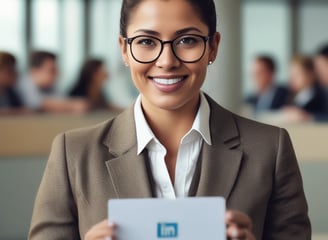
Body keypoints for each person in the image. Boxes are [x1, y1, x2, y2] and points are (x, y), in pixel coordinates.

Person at [29, 0, 311, 239]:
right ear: (124, 49)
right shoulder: (74, 153)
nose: (166, 60)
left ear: (213, 46)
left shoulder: (269, 148)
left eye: (187, 40)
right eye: (146, 41)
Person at [17, 51, 88, 113]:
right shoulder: (24, 83)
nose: (57, 74)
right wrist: (72, 106)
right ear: (34, 71)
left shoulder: (50, 86)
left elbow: (62, 100)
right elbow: (37, 104)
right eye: (52, 70)